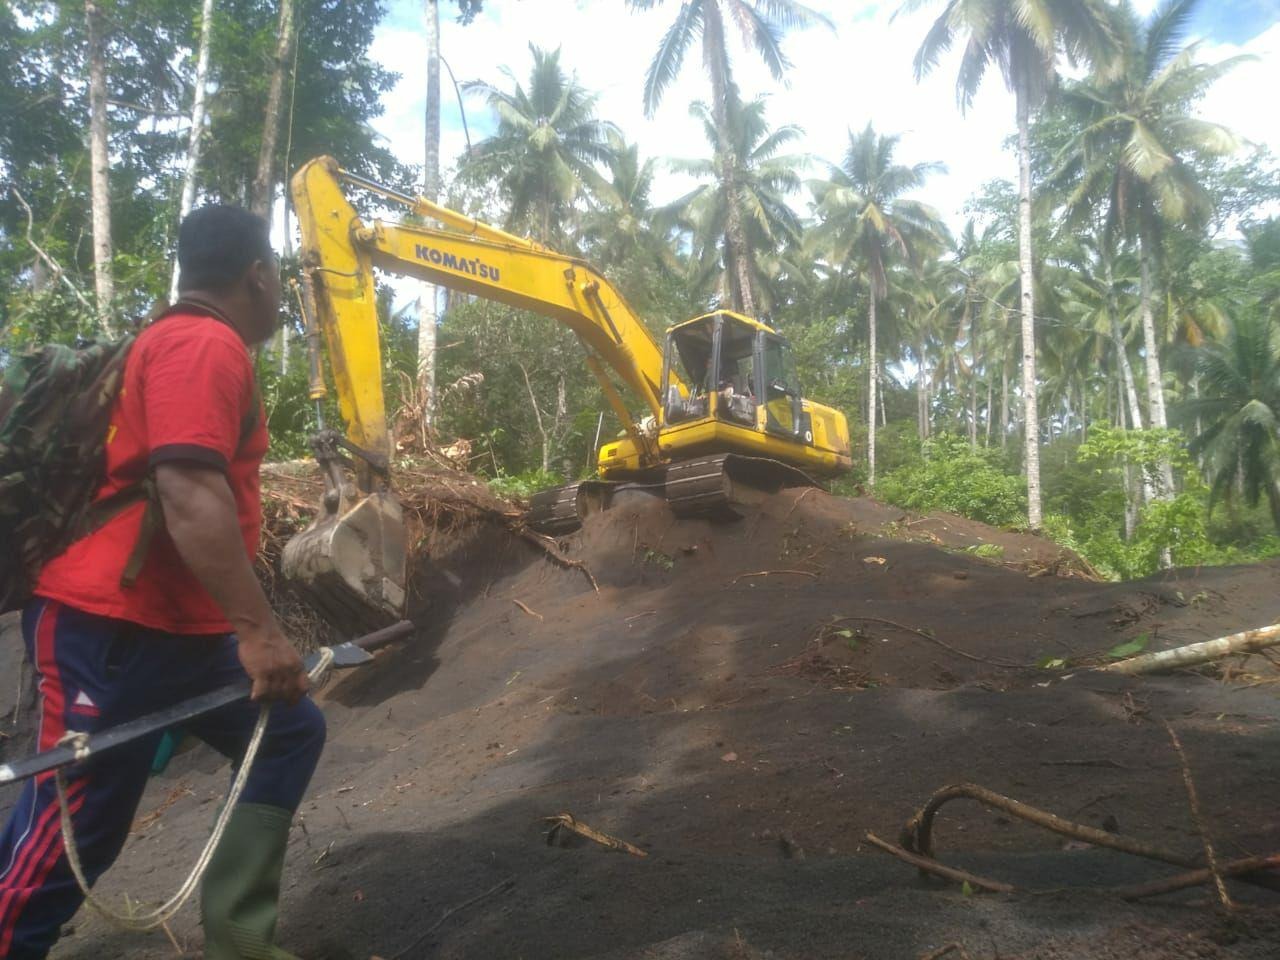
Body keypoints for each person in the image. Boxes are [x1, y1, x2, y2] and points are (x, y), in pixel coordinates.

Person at [0, 206, 324, 960]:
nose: (279, 295)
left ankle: (241, 938)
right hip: (110, 626)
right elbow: (187, 490)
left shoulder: (180, 342)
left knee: (287, 729)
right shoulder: (200, 344)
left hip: (176, 626)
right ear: (258, 275)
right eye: (277, 280)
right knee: (72, 833)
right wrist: (259, 630)